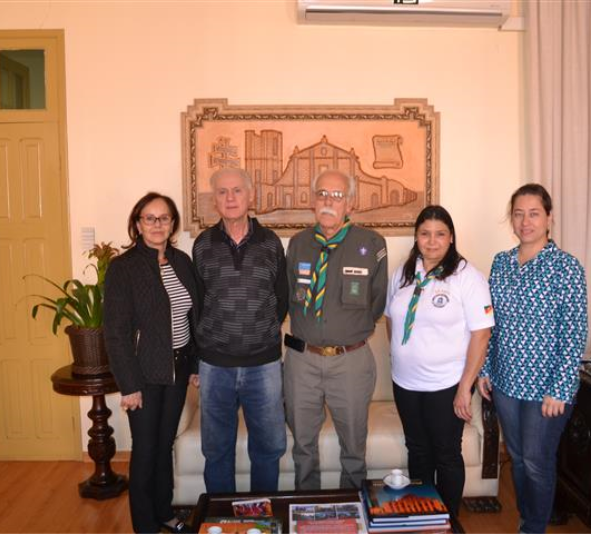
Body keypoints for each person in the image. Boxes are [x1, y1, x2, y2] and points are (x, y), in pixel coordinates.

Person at [477, 183, 588, 534]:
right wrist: (485, 368)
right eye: (519, 213)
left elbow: (574, 332)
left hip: (547, 389)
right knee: (520, 461)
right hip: (507, 383)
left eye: (534, 213)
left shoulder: (566, 267)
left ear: (549, 218)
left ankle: (533, 528)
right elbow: (489, 322)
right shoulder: (501, 263)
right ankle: (528, 519)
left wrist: (561, 388)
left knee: (538, 462)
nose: (525, 221)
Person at [385, 205, 493, 518]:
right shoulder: (404, 273)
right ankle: (424, 517)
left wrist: (464, 388)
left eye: (440, 234)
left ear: (451, 238)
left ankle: (447, 520)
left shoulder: (467, 277)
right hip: (405, 383)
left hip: (446, 385)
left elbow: (481, 335)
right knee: (417, 451)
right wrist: (401, 356)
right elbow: (391, 319)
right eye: (425, 234)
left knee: (446, 454)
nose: (432, 241)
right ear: (416, 237)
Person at [104, 192, 202, 534]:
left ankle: (165, 512)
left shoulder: (181, 261)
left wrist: (194, 364)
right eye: (150, 218)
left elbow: (194, 315)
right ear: (137, 223)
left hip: (176, 370)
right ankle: (144, 525)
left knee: (165, 445)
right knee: (145, 451)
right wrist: (128, 385)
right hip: (143, 374)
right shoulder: (124, 268)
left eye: (164, 218)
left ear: (173, 224)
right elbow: (115, 332)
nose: (158, 225)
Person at [284, 169, 388, 490]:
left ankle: (352, 509)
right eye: (322, 194)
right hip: (302, 360)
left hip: (351, 361)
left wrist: (345, 331)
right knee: (302, 445)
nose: (329, 201)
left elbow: (376, 303)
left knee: (354, 448)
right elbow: (289, 296)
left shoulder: (371, 244)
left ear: (350, 204)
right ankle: (305, 507)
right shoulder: (298, 244)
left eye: (337, 196)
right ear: (313, 201)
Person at [192, 167, 288, 493]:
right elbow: (198, 303)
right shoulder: (202, 245)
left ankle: (265, 518)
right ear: (214, 201)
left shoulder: (271, 243)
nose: (230, 198)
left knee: (269, 448)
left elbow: (281, 299)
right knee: (216, 450)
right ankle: (221, 519)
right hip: (215, 365)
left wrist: (257, 331)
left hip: (264, 365)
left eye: (237, 191)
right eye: (222, 192)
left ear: (251, 197)